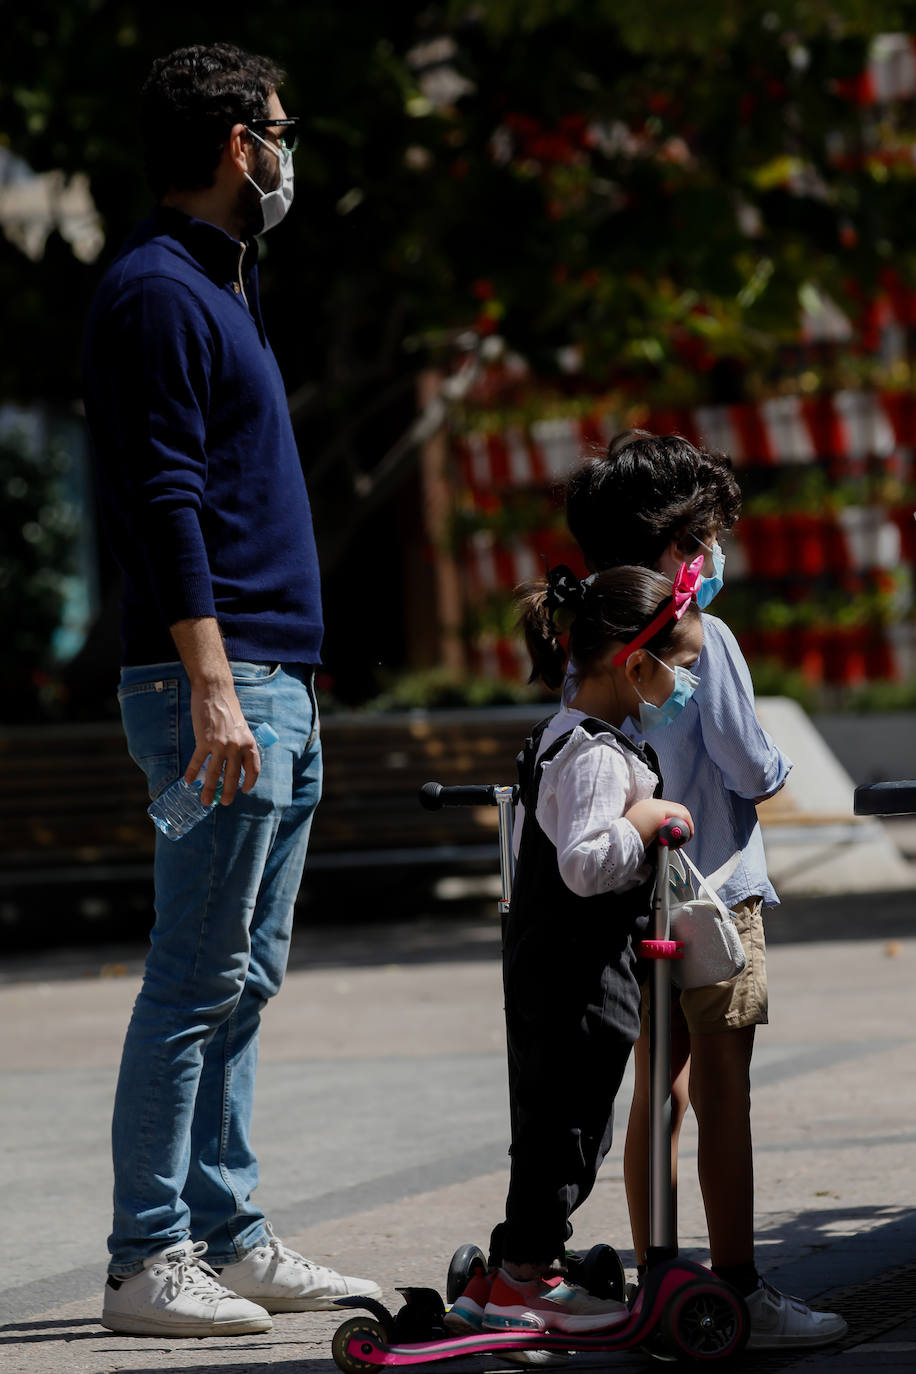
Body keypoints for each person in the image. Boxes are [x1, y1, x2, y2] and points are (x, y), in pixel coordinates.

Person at [81, 43, 379, 1338]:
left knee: (244, 973)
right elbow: (164, 499)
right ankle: (148, 1254)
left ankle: (228, 1231)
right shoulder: (154, 290)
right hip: (221, 679)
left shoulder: (224, 282)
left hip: (275, 679)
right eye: (278, 128)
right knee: (194, 974)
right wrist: (212, 684)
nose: (287, 150)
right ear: (233, 147)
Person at [565, 430, 847, 1350]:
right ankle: (742, 1287)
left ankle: (661, 1279)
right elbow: (751, 767)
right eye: (703, 540)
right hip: (720, 895)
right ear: (673, 548)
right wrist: (779, 762)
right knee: (725, 1086)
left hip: (637, 899)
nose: (713, 557)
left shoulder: (599, 637)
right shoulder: (704, 636)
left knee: (660, 1089)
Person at [446, 561, 702, 1338]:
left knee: (551, 1118)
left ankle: (525, 1264)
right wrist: (649, 822)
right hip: (577, 968)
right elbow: (586, 864)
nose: (684, 687)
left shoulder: (562, 734)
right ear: (633, 664)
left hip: (549, 961)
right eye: (681, 670)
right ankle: (524, 1279)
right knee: (569, 1128)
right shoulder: (595, 753)